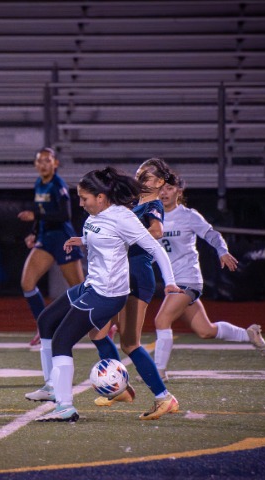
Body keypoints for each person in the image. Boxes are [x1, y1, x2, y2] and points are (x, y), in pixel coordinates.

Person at [29, 167, 181, 423]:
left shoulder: (123, 216)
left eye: (84, 198)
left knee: (64, 341)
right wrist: (81, 239)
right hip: (93, 286)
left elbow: (155, 248)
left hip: (107, 294)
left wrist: (170, 282)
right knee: (47, 320)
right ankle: (53, 386)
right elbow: (103, 237)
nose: (80, 203)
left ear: (101, 197)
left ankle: (65, 406)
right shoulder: (95, 215)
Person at [153, 176, 265, 377]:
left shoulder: (189, 216)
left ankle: (158, 373)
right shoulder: (154, 217)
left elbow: (212, 235)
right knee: (205, 330)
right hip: (173, 282)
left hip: (187, 279)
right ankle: (249, 334)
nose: (164, 192)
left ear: (179, 192)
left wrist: (222, 251)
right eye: (161, 188)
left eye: (169, 188)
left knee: (161, 320)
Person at [87, 157, 176, 409]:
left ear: (160, 182)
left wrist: (127, 238)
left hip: (137, 276)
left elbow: (157, 231)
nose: (139, 180)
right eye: (137, 175)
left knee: (129, 343)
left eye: (145, 176)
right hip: (118, 275)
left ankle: (163, 397)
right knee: (97, 331)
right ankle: (121, 389)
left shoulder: (153, 205)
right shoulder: (132, 203)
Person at [18, 147, 84, 346]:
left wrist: (35, 216)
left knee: (80, 290)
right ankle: (44, 326)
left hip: (63, 239)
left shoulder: (58, 185)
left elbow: (64, 215)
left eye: (48, 160)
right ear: (35, 164)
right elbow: (42, 212)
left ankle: (104, 326)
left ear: (55, 164)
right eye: (40, 161)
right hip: (46, 239)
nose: (43, 164)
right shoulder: (39, 183)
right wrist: (34, 232)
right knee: (27, 283)